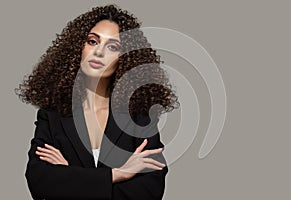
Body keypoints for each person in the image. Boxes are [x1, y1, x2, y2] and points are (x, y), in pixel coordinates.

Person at [15, 4, 179, 200]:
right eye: (92, 41)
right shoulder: (52, 114)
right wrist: (117, 174)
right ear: (78, 48)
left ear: (125, 57)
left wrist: (71, 177)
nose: (99, 52)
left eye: (112, 46)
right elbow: (38, 181)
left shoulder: (139, 114)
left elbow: (150, 190)